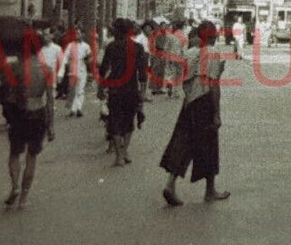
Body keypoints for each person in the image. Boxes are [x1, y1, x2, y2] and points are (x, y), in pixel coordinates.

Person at [160, 20, 231, 206]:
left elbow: (183, 77)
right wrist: (216, 113)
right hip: (205, 101)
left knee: (183, 142)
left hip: (189, 102)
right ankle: (210, 191)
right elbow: (213, 85)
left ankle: (170, 184)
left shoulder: (189, 53)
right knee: (209, 146)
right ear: (213, 35)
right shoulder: (214, 53)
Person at [0, 27, 56, 207]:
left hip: (19, 113)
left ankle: (15, 186)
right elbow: (50, 100)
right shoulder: (46, 69)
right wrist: (51, 125)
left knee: (15, 154)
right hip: (38, 112)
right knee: (32, 157)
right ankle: (23, 198)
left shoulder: (15, 67)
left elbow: (8, 94)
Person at [98, 19, 148, 166]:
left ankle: (119, 156)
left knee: (115, 121)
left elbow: (103, 70)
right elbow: (143, 73)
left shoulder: (111, 47)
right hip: (131, 89)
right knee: (129, 122)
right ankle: (124, 150)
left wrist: (101, 88)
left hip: (115, 89)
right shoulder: (138, 48)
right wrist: (143, 93)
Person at [61, 25, 91, 116]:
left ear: (83, 34)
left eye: (78, 33)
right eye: (75, 34)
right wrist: (65, 66)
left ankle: (79, 108)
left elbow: (90, 57)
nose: (77, 35)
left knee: (80, 90)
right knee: (73, 90)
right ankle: (73, 109)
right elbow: (65, 57)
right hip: (73, 70)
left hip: (82, 70)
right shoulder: (70, 45)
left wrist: (88, 60)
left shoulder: (86, 46)